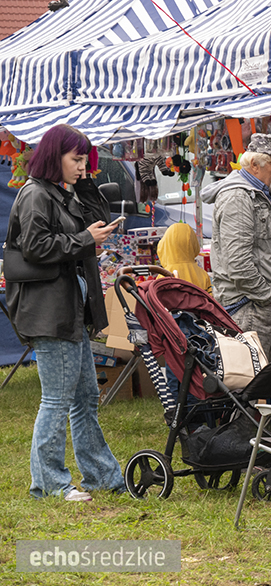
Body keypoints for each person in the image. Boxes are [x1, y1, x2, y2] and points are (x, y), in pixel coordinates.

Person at [5, 124, 125, 502]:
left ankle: (101, 475)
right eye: (76, 159)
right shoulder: (35, 195)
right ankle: (50, 483)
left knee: (86, 397)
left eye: (84, 160)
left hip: (70, 310)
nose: (81, 166)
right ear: (54, 156)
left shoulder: (61, 192)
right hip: (49, 311)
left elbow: (96, 218)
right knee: (57, 399)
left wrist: (86, 183)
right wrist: (84, 239)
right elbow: (37, 247)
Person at [203, 133, 271, 361]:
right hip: (249, 307)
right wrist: (266, 297)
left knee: (250, 381)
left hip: (254, 305)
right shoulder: (239, 196)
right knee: (246, 383)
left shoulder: (258, 193)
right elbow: (238, 263)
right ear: (254, 163)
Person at [156, 222, 212, 295]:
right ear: (193, 243)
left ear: (165, 244)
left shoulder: (163, 276)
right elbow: (211, 302)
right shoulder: (203, 275)